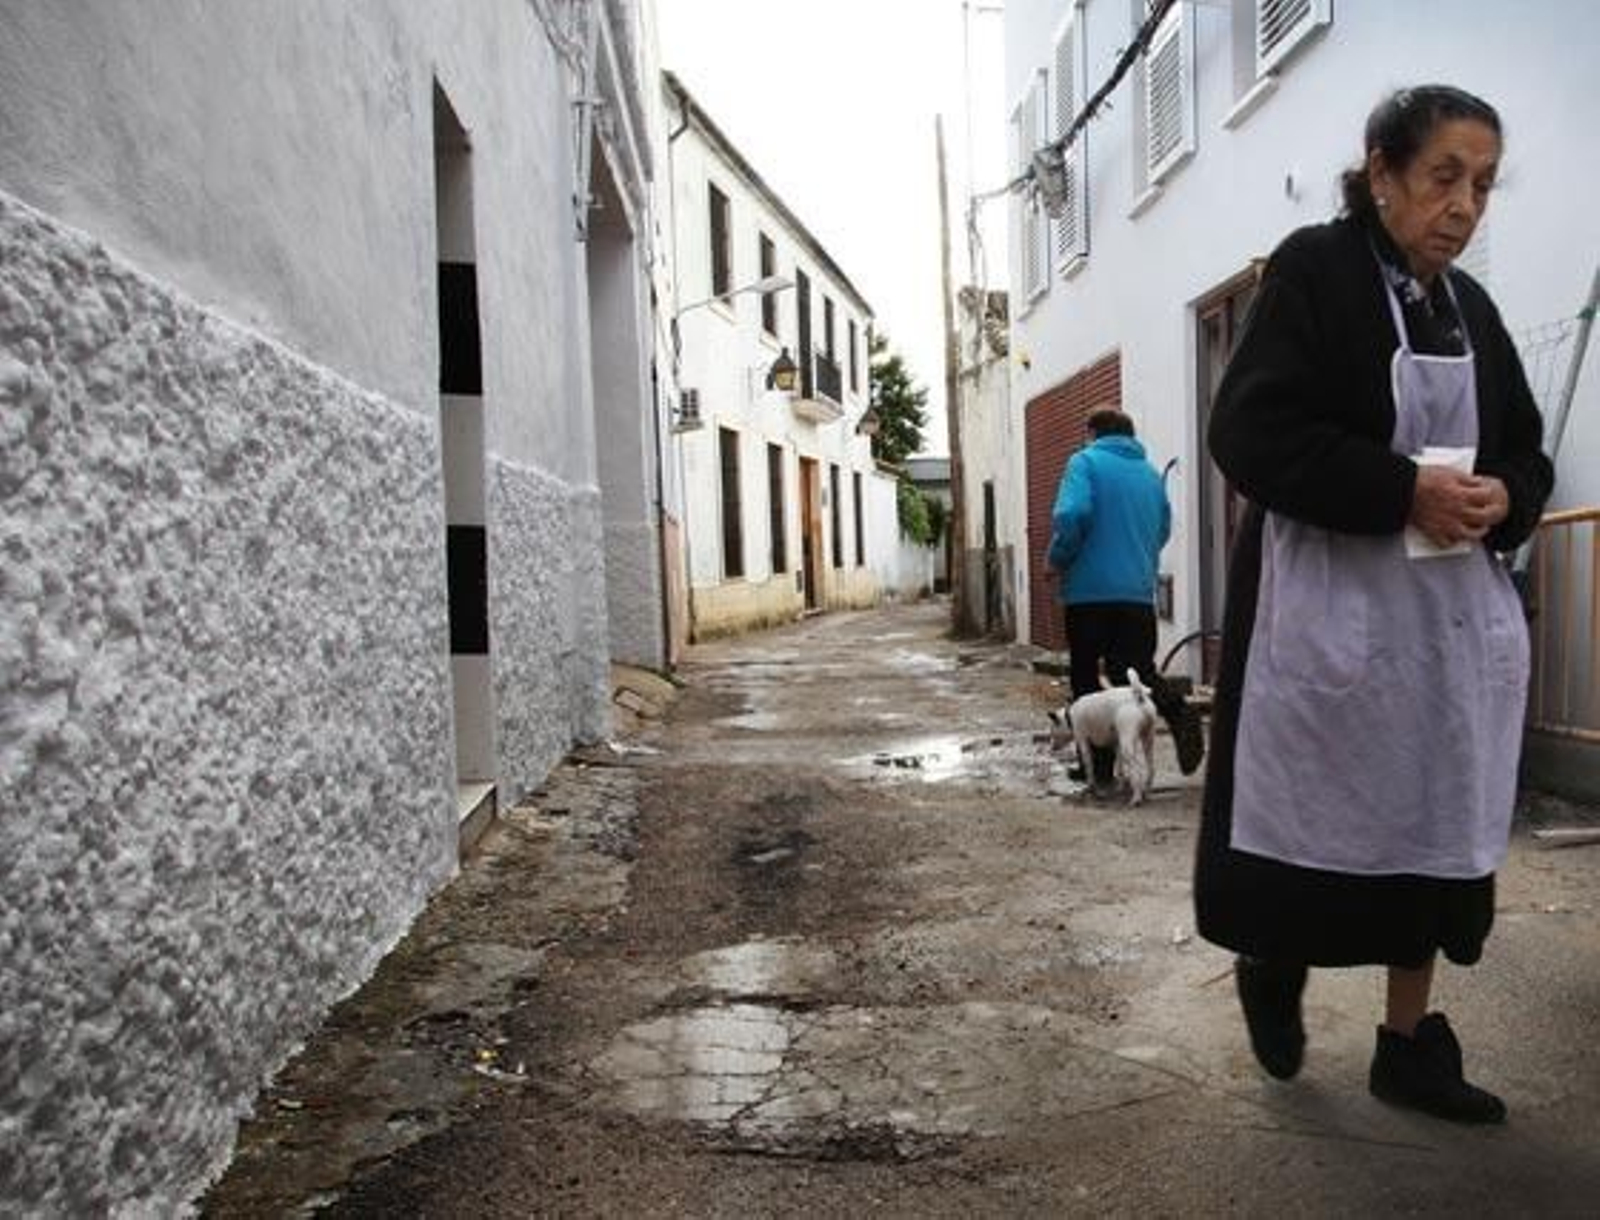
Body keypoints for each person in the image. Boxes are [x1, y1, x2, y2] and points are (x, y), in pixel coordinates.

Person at [1194, 85, 1554, 1124]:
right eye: (1443, 175)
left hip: (1441, 620)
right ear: (1382, 171)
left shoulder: (1471, 311)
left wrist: (1505, 495)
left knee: (1433, 819)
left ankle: (1407, 1043)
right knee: (1309, 804)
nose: (1463, 204)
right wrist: (1400, 488)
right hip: (1327, 603)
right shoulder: (1314, 270)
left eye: (1481, 184)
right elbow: (1249, 432)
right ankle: (1274, 959)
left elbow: (1522, 446)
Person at [1047, 408, 1205, 788]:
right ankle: (1179, 714)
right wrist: (1137, 559)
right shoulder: (1150, 475)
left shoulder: (1084, 462)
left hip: (1088, 593)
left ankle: (1098, 768)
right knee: (1134, 672)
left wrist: (1057, 559)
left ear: (1093, 433)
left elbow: (1072, 513)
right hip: (1136, 593)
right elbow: (1163, 528)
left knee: (1086, 677)